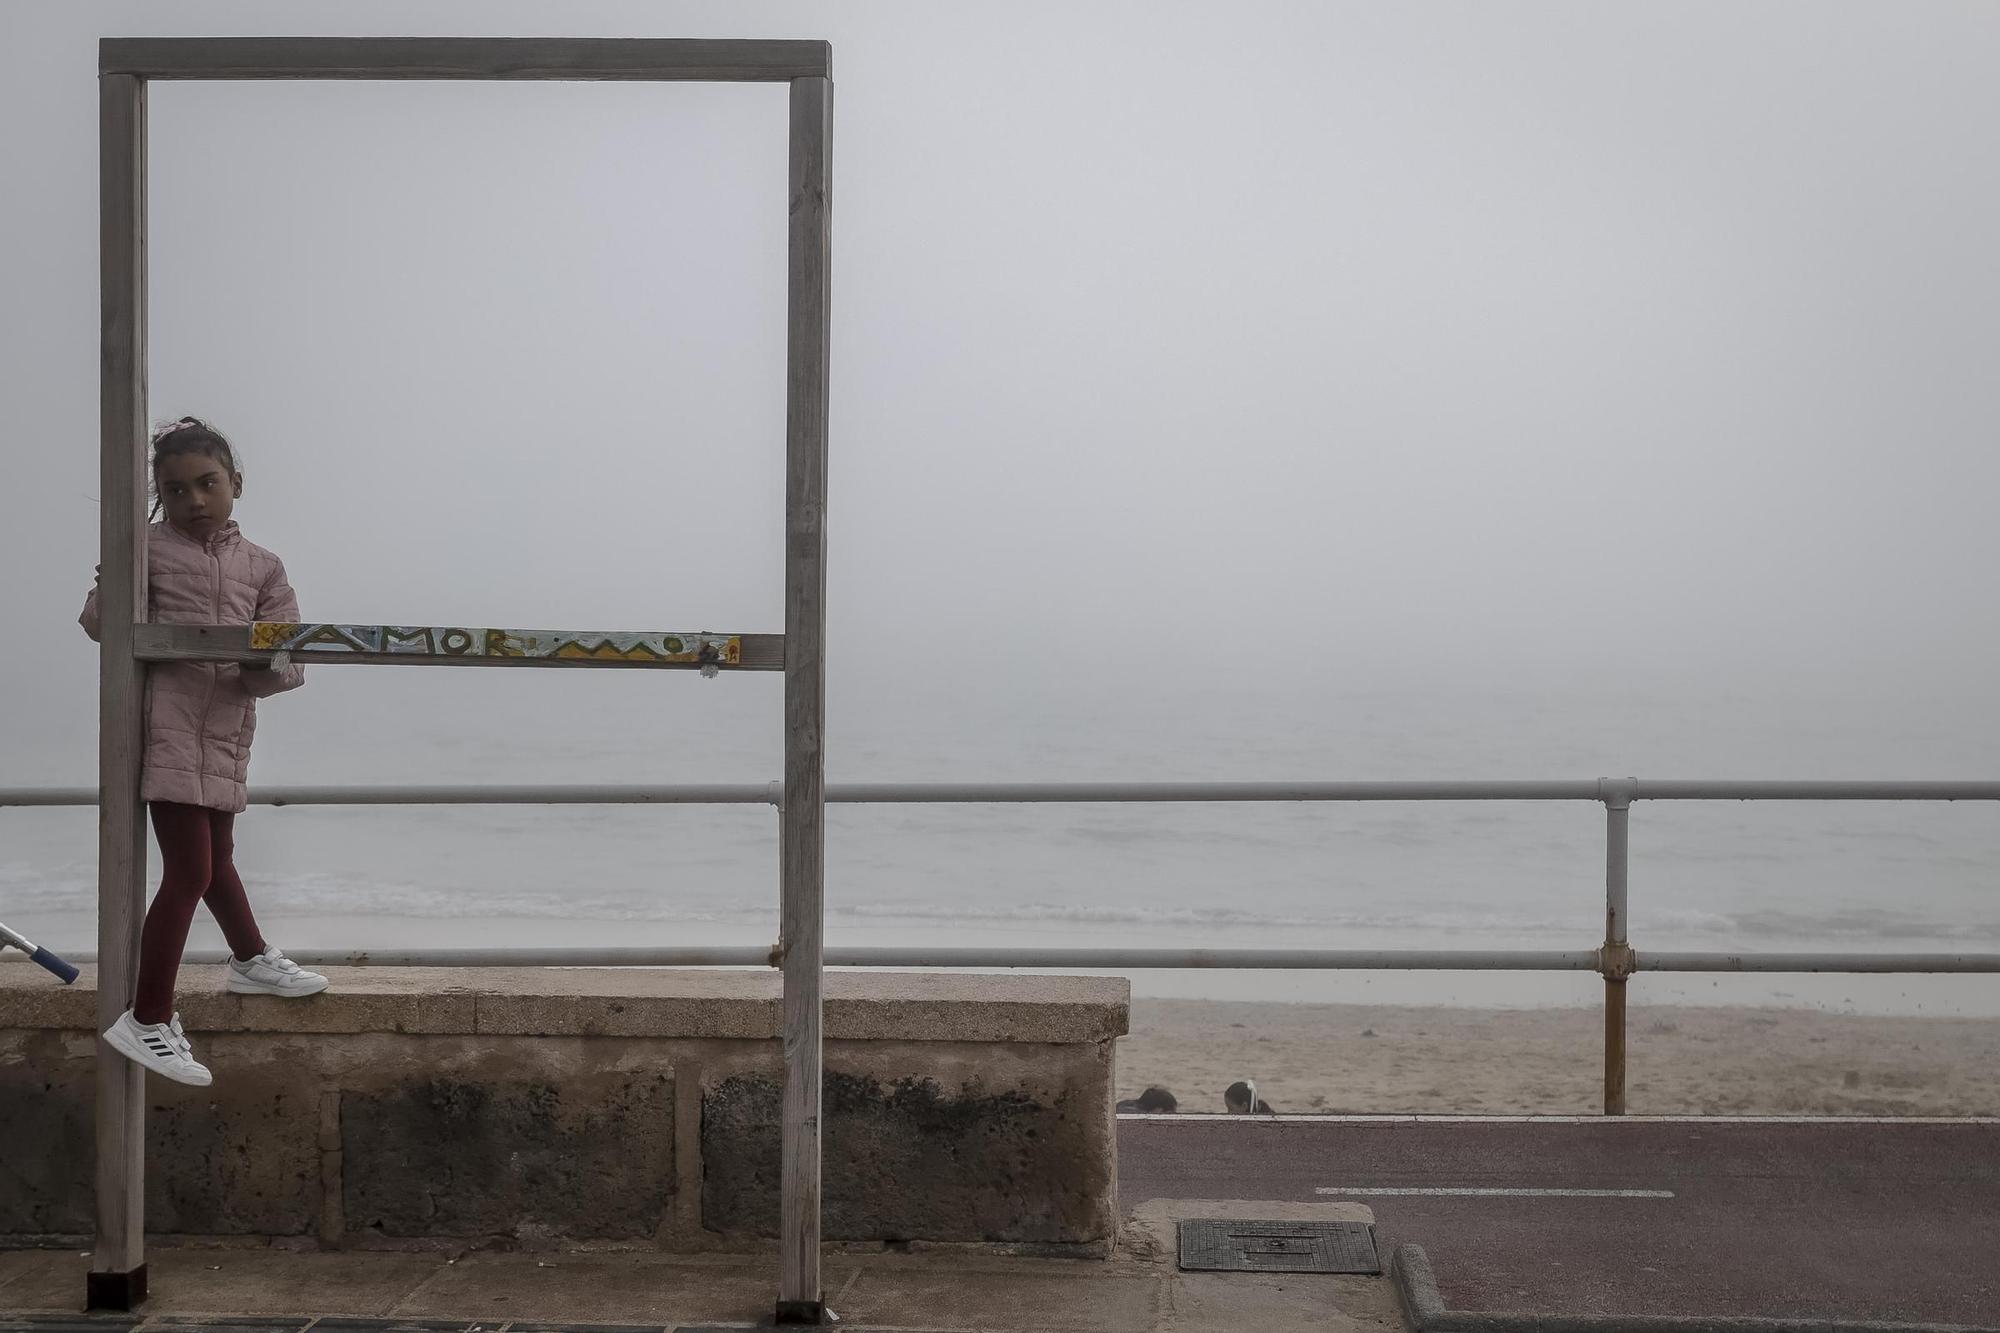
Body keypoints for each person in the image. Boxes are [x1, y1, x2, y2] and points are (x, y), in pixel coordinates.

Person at [81, 416, 328, 1087]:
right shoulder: (147, 550)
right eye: (176, 488)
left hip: (225, 733)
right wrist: (112, 570)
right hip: (162, 730)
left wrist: (259, 659)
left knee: (216, 861)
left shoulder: (264, 566)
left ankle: (249, 957)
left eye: (207, 483)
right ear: (160, 494)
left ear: (234, 483)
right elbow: (101, 625)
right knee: (190, 870)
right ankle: (149, 1016)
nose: (193, 499)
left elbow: (288, 661)